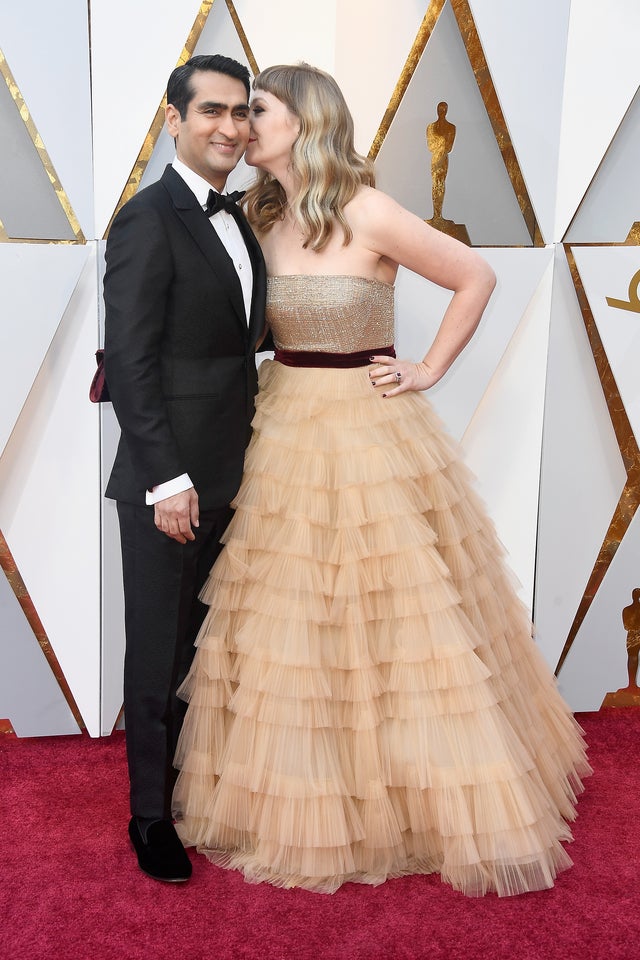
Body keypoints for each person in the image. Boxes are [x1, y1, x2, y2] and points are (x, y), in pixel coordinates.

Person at [172, 62, 590, 897]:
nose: (243, 126)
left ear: (308, 120)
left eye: (258, 111)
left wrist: (429, 366)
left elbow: (476, 275)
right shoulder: (259, 214)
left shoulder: (368, 210)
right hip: (280, 419)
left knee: (398, 620)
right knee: (290, 614)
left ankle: (411, 795)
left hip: (366, 429)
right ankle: (307, 791)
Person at [103, 53, 266, 883]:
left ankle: (192, 794)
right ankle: (148, 818)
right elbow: (129, 361)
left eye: (242, 113)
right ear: (174, 119)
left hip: (237, 473)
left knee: (207, 650)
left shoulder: (238, 218)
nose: (230, 128)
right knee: (158, 654)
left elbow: (238, 346)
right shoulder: (147, 218)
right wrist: (167, 480)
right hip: (173, 485)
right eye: (212, 112)